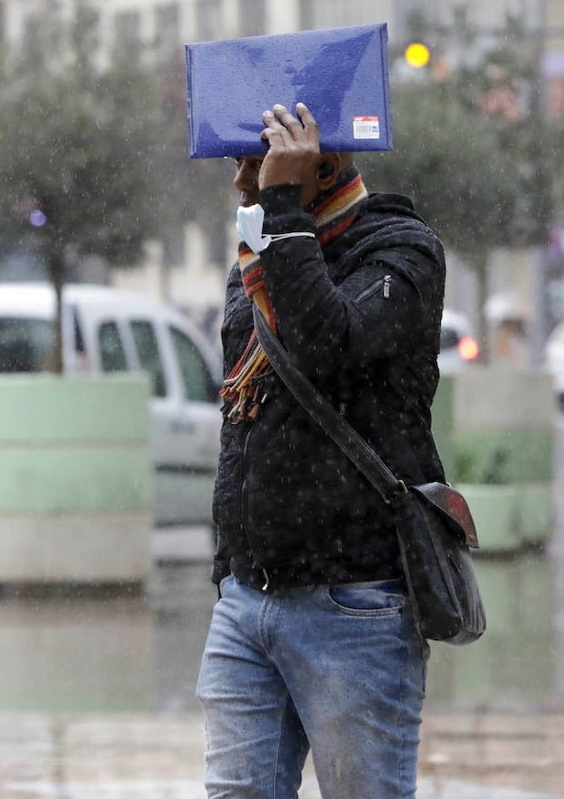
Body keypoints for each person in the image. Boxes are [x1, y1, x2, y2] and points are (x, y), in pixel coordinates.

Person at [195, 102, 447, 798]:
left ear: (320, 164)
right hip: (249, 600)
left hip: (356, 602)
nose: (244, 183)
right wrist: (229, 566)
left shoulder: (403, 250)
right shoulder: (258, 258)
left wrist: (283, 208)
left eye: (260, 165)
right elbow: (240, 418)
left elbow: (329, 344)